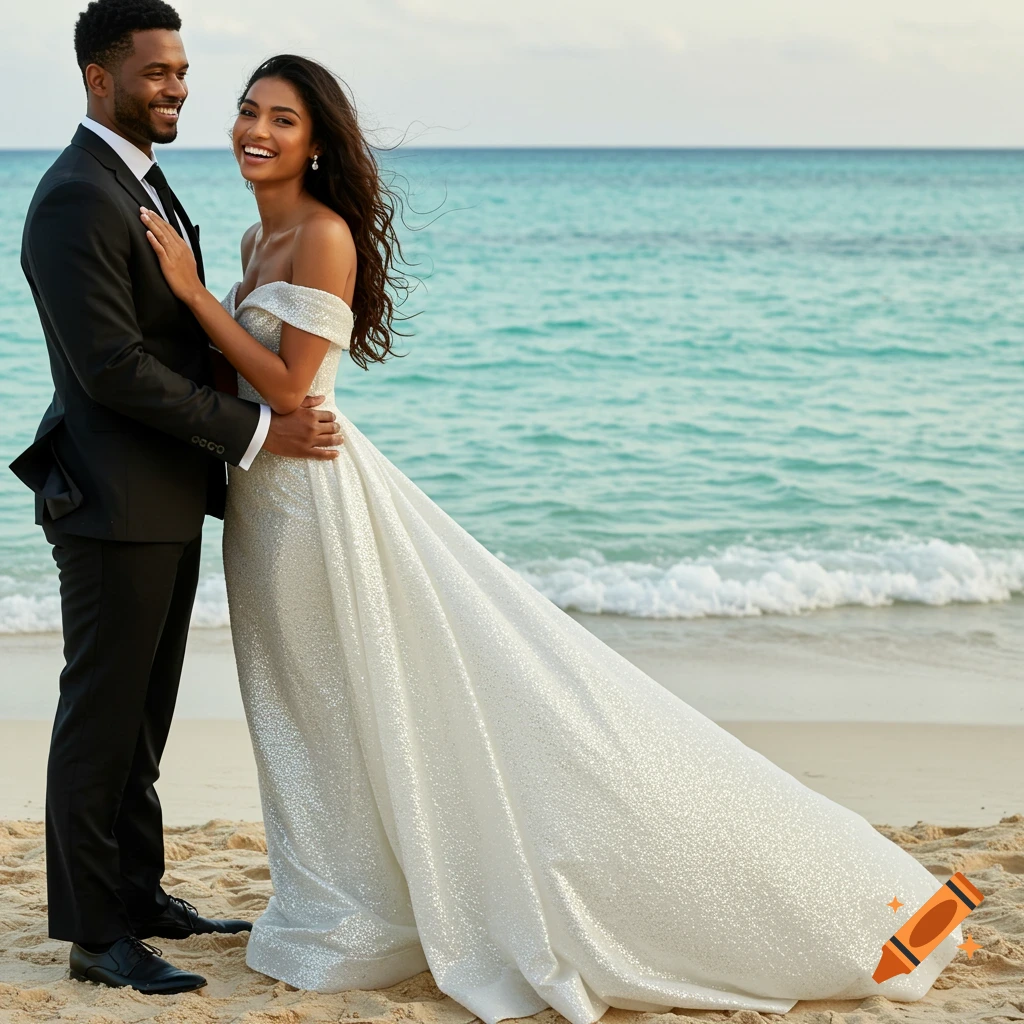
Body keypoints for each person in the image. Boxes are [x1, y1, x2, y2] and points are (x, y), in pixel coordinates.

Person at [141, 54, 963, 1024]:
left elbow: (288, 386)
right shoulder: (253, 234)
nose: (256, 131)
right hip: (263, 505)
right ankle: (345, 902)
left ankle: (366, 916)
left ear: (316, 143)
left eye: (282, 118)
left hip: (315, 504)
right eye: (247, 111)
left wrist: (192, 296)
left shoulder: (320, 236)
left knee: (363, 695)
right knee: (309, 711)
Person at [9, 0, 344, 996]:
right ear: (98, 79)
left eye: (183, 71)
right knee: (101, 717)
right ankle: (94, 932)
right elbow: (111, 367)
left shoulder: (136, 181)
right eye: (157, 72)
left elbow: (179, 336)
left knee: (142, 715)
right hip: (111, 499)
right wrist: (254, 430)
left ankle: (141, 891)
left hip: (161, 494)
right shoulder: (77, 194)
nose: (178, 88)